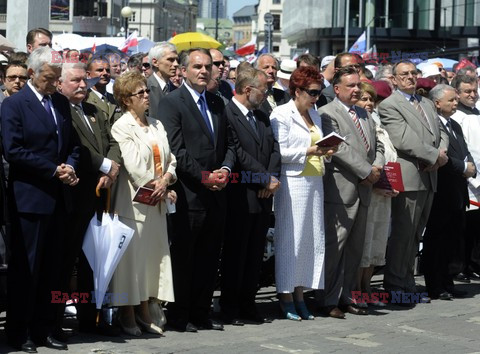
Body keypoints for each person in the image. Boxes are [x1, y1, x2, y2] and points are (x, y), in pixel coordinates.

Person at [1, 46, 80, 352]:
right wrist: (53, 170)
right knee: (27, 270)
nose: (55, 82)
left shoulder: (60, 102)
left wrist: (70, 165)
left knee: (52, 268)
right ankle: (19, 333)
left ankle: (44, 328)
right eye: (50, 77)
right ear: (33, 73)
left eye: (58, 76)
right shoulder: (15, 105)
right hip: (30, 198)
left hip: (59, 198)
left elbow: (72, 144)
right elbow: (14, 149)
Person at [158, 48, 235, 333]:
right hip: (190, 193)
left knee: (209, 257)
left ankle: (202, 312)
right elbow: (175, 149)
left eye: (208, 67)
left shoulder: (217, 102)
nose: (204, 71)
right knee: (185, 258)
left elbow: (229, 144)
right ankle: (181, 315)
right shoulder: (171, 103)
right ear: (184, 70)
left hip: (217, 192)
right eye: (197, 67)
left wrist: (225, 170)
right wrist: (204, 177)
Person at [57, 62, 121, 336]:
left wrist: (113, 167)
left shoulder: (93, 110)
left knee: (92, 261)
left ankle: (90, 318)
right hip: (74, 195)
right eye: (76, 81)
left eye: (85, 81)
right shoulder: (60, 110)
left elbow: (113, 142)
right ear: (60, 83)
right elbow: (78, 148)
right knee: (65, 261)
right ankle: (55, 316)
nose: (83, 85)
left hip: (99, 195)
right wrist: (104, 166)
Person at [110, 71, 177, 336]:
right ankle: (127, 309)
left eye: (147, 91)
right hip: (133, 203)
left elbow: (172, 159)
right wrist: (157, 183)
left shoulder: (157, 125)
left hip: (157, 201)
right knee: (132, 261)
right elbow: (134, 165)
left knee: (152, 259)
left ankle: (145, 306)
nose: (147, 96)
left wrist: (167, 179)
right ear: (127, 100)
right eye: (141, 93)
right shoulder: (122, 126)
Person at [378, 60, 448, 305]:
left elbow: (443, 131)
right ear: (394, 80)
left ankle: (407, 280)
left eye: (412, 73)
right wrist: (433, 156)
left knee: (416, 233)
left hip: (430, 175)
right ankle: (395, 283)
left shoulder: (427, 103)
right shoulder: (389, 105)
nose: (409, 77)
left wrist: (442, 154)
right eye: (403, 74)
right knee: (403, 234)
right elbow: (403, 138)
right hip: (410, 176)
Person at [271, 66, 338, 321]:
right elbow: (281, 151)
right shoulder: (281, 113)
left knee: (310, 239)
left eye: (318, 93)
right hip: (292, 182)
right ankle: (286, 295)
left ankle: (300, 294)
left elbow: (318, 145)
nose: (316, 97)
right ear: (296, 90)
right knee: (292, 239)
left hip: (314, 180)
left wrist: (327, 150)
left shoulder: (316, 114)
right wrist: (311, 150)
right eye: (311, 92)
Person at [318, 66, 384, 318]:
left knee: (355, 249)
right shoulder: (327, 113)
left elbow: (375, 144)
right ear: (337, 89)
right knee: (336, 247)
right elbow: (338, 149)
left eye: (358, 85)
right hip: (341, 190)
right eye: (351, 86)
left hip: (364, 189)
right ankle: (327, 299)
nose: (357, 89)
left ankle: (346, 296)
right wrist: (367, 171)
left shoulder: (364, 114)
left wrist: (376, 165)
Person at [220, 68, 281, 326]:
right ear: (248, 90)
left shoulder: (262, 115)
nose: (266, 95)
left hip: (265, 194)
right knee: (237, 253)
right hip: (241, 194)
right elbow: (237, 152)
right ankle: (230, 306)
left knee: (255, 254)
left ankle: (248, 303)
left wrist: (272, 177)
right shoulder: (228, 114)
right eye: (263, 91)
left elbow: (274, 147)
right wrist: (263, 177)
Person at [422, 84, 475, 300]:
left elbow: (465, 150)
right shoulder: (432, 125)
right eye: (451, 100)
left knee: (452, 238)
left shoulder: (455, 124)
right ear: (437, 103)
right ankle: (435, 285)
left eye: (455, 100)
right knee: (437, 238)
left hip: (458, 190)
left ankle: (447, 280)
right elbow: (439, 156)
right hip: (441, 189)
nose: (455, 104)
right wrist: (462, 167)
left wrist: (469, 165)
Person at [355, 82, 398, 308]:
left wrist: (393, 183)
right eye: (364, 99)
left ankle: (368, 287)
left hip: (384, 196)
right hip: (367, 193)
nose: (369, 103)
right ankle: (357, 289)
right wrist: (374, 185)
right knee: (363, 243)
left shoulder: (379, 126)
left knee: (377, 244)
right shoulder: (357, 126)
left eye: (371, 99)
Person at [451, 74, 480, 281]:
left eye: (474, 91)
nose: (472, 95)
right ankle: (460, 266)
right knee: (463, 227)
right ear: (457, 93)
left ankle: (472, 264)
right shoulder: (456, 117)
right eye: (467, 92)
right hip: (468, 180)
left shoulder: (476, 113)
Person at [85, 55, 122, 126]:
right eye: (100, 70)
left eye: (107, 70)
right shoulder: (85, 100)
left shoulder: (115, 99)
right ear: (88, 74)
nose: (105, 73)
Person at [147, 42, 179, 120]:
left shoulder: (176, 90)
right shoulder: (144, 88)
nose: (176, 64)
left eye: (177, 60)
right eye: (170, 60)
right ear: (155, 62)